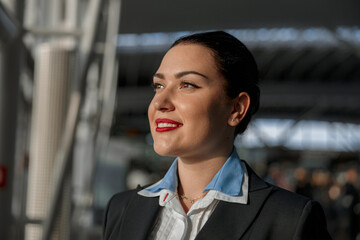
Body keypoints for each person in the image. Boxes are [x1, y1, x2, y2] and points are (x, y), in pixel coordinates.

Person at [103, 31, 332, 240]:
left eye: (187, 84)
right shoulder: (121, 208)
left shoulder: (290, 220)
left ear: (236, 109)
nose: (159, 103)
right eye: (159, 86)